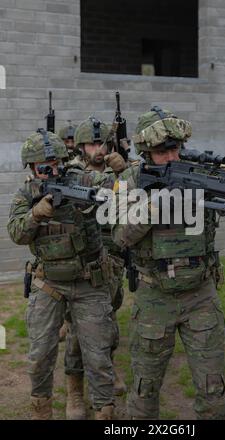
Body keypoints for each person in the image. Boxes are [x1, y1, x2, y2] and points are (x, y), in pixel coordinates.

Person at [111, 108, 225, 420]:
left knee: (212, 389)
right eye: (163, 151)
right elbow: (120, 235)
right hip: (153, 297)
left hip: (200, 295)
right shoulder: (129, 179)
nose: (172, 157)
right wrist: (156, 205)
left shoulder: (198, 170)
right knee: (144, 389)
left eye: (176, 148)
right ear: (145, 151)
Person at [7, 129, 118, 420]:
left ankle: (104, 414)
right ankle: (41, 412)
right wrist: (36, 214)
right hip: (48, 283)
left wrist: (115, 176)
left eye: (55, 163)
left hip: (88, 282)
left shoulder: (79, 179)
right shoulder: (26, 193)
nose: (50, 170)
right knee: (40, 354)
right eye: (42, 166)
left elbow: (108, 184)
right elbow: (16, 232)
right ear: (31, 167)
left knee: (98, 356)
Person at [63, 117, 128, 419]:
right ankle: (75, 391)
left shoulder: (123, 169)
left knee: (108, 327)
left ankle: (105, 371)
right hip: (83, 265)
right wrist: (124, 173)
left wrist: (125, 171)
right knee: (77, 331)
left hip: (113, 260)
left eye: (103, 144)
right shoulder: (74, 172)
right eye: (91, 144)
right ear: (81, 146)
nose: (98, 150)